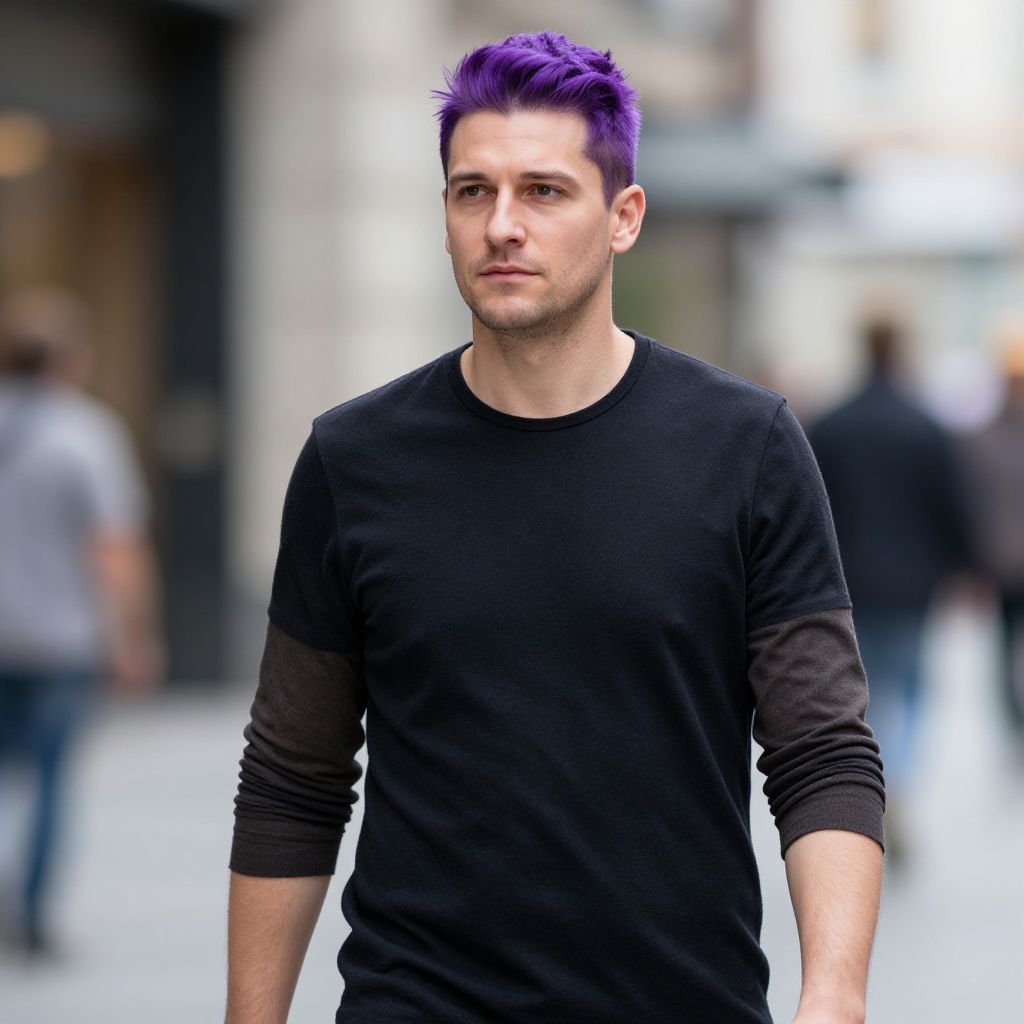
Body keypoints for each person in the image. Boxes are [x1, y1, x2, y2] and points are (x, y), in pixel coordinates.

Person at [227, 33, 884, 1024]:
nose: (501, 225)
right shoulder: (352, 460)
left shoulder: (746, 447)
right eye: (470, 192)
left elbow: (820, 750)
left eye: (543, 191)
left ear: (622, 216)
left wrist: (833, 995)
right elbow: (293, 772)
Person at [0, 287, 164, 957]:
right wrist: (134, 635)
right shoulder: (86, 434)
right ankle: (32, 917)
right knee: (50, 780)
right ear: (69, 360)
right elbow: (115, 547)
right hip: (61, 640)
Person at [808, 313, 971, 863]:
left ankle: (872, 783)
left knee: (859, 694)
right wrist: (964, 566)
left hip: (844, 582)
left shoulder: (831, 425)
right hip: (913, 584)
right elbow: (951, 506)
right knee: (910, 690)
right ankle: (894, 782)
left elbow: (808, 510)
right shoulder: (925, 425)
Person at [962, 320, 1024, 761]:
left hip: (1000, 561)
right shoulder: (980, 437)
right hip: (1002, 566)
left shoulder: (981, 437)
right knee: (1003, 654)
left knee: (1004, 654)